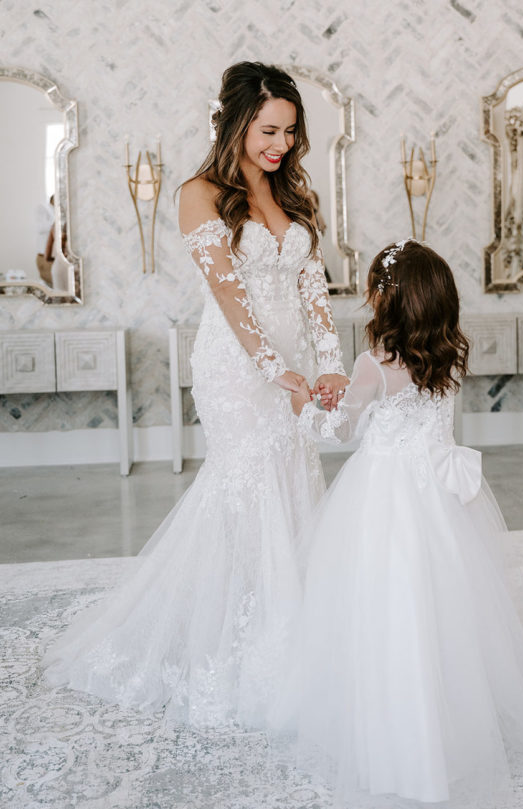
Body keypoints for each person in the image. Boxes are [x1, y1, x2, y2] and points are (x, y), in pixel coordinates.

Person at [43, 61, 349, 729]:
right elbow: (230, 298)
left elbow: (313, 290)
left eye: (292, 132)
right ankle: (236, 634)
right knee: (248, 483)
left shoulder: (296, 196)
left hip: (292, 364)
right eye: (270, 130)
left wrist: (328, 364)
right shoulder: (198, 194)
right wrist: (274, 369)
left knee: (295, 477)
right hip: (235, 368)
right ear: (238, 122)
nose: (282, 145)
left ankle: (296, 626)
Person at [278, 239, 523, 807]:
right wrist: (350, 395)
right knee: (441, 603)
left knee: (384, 604)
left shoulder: (373, 363)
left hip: (385, 495)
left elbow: (341, 432)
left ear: (386, 299)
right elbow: (397, 405)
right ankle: (448, 725)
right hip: (436, 498)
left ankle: (394, 736)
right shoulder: (450, 354)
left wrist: (304, 410)